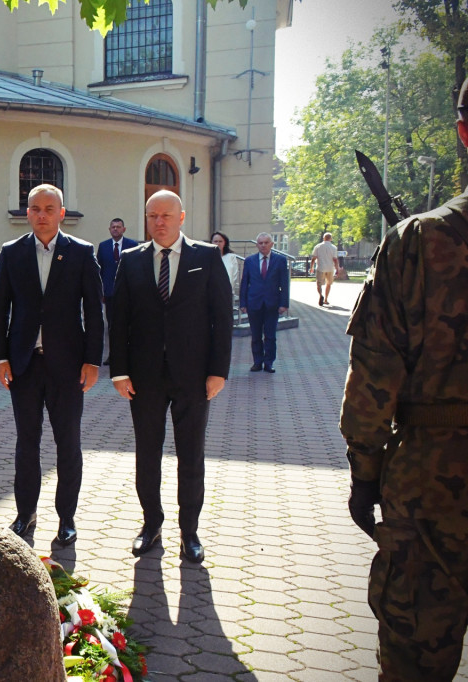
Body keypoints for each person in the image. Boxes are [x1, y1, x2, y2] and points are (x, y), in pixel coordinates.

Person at [340, 77, 468, 682]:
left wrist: (365, 473)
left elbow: (373, 380)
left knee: (416, 663)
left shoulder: (418, 242)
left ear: (462, 132)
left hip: (430, 493)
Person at [108, 189, 232, 564]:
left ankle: (189, 532)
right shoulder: (130, 260)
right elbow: (119, 320)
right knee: (147, 454)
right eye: (151, 216)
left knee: (191, 455)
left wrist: (217, 371)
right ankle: (151, 525)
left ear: (181, 217)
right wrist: (119, 370)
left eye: (165, 215)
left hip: (194, 376)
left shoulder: (207, 257)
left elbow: (222, 317)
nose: (158, 222)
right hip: (144, 377)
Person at [0, 183, 103, 546]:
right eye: (35, 209)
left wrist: (92, 361)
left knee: (68, 444)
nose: (42, 215)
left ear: (61, 212)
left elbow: (94, 312)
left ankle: (67, 518)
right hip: (24, 365)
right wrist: (1, 356)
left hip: (68, 367)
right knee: (27, 443)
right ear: (27, 213)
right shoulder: (11, 253)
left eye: (49, 209)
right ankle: (26, 514)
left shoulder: (82, 253)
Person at [239, 232, 289, 373]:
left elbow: (284, 283)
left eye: (266, 242)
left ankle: (268, 363)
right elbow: (245, 283)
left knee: (270, 336)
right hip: (254, 303)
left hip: (272, 304)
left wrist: (284, 303)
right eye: (260, 243)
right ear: (257, 245)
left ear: (271, 244)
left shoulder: (280, 260)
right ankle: (257, 362)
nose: (263, 245)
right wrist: (243, 303)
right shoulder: (250, 261)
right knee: (255, 336)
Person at [97, 218, 138, 364]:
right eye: (113, 227)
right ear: (109, 229)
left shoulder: (132, 245)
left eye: (118, 227)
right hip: (110, 294)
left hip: (128, 293)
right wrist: (100, 291)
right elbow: (99, 270)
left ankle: (129, 354)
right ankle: (113, 355)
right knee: (113, 326)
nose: (115, 229)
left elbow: (136, 270)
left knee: (128, 324)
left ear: (124, 229)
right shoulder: (103, 246)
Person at [210, 231, 243, 299]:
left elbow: (234, 276)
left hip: (226, 294)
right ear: (211, 242)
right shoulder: (207, 257)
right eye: (215, 241)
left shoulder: (231, 257)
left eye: (220, 241)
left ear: (225, 243)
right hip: (211, 294)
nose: (218, 243)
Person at [310, 231, 339, 306]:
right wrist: (337, 269)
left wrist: (311, 267)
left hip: (321, 267)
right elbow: (335, 259)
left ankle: (320, 295)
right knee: (328, 284)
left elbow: (313, 258)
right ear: (331, 239)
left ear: (323, 238)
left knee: (318, 284)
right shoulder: (334, 248)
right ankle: (326, 299)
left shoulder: (318, 246)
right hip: (330, 268)